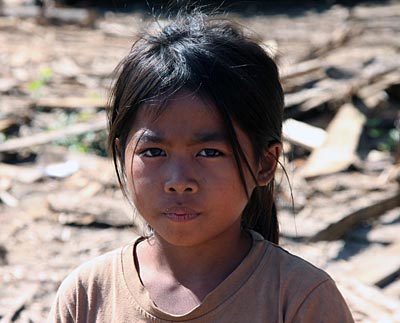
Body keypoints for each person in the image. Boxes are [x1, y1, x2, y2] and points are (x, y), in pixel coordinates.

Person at [48, 11, 354, 323]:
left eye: (209, 152)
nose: (179, 181)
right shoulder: (87, 296)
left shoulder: (300, 299)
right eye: (153, 152)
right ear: (121, 155)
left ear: (265, 163)